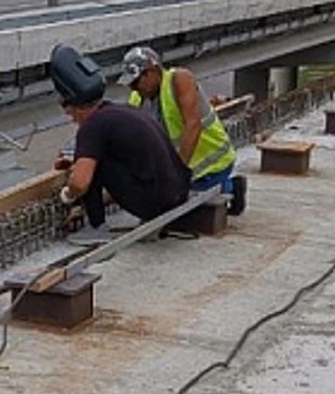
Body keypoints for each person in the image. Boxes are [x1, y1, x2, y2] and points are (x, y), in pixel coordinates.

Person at [46, 44, 190, 245]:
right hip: (180, 191)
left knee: (94, 164)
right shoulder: (123, 112)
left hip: (156, 204)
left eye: (71, 114)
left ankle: (96, 228)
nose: (72, 120)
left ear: (77, 108)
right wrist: (77, 161)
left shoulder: (92, 126)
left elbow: (80, 183)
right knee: (94, 159)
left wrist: (68, 195)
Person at [119, 46, 247, 215]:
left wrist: (177, 173)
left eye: (136, 82)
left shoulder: (179, 79)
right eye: (130, 84)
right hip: (186, 167)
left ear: (154, 70)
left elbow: (193, 125)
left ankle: (231, 186)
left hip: (212, 163)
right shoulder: (137, 100)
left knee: (189, 202)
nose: (134, 88)